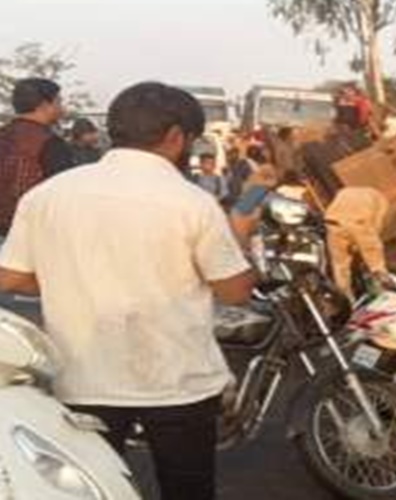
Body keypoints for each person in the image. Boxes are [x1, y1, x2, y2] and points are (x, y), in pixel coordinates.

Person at [0, 82, 256, 500]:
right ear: (176, 137)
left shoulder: (48, 196)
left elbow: (10, 277)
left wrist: (72, 277)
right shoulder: (190, 201)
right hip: (178, 381)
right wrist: (242, 236)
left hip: (82, 378)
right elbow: (233, 292)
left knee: (91, 488)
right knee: (187, 489)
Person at [0, 78, 73, 234]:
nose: (61, 107)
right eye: (58, 101)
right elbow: (63, 197)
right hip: (29, 234)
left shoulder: (3, 135)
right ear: (45, 105)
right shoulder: (50, 143)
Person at [324, 186, 390, 300]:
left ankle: (348, 300)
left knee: (340, 266)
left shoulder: (345, 191)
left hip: (332, 224)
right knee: (375, 262)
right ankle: (385, 290)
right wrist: (364, 244)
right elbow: (376, 226)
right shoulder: (382, 200)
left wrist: (353, 244)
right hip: (358, 222)